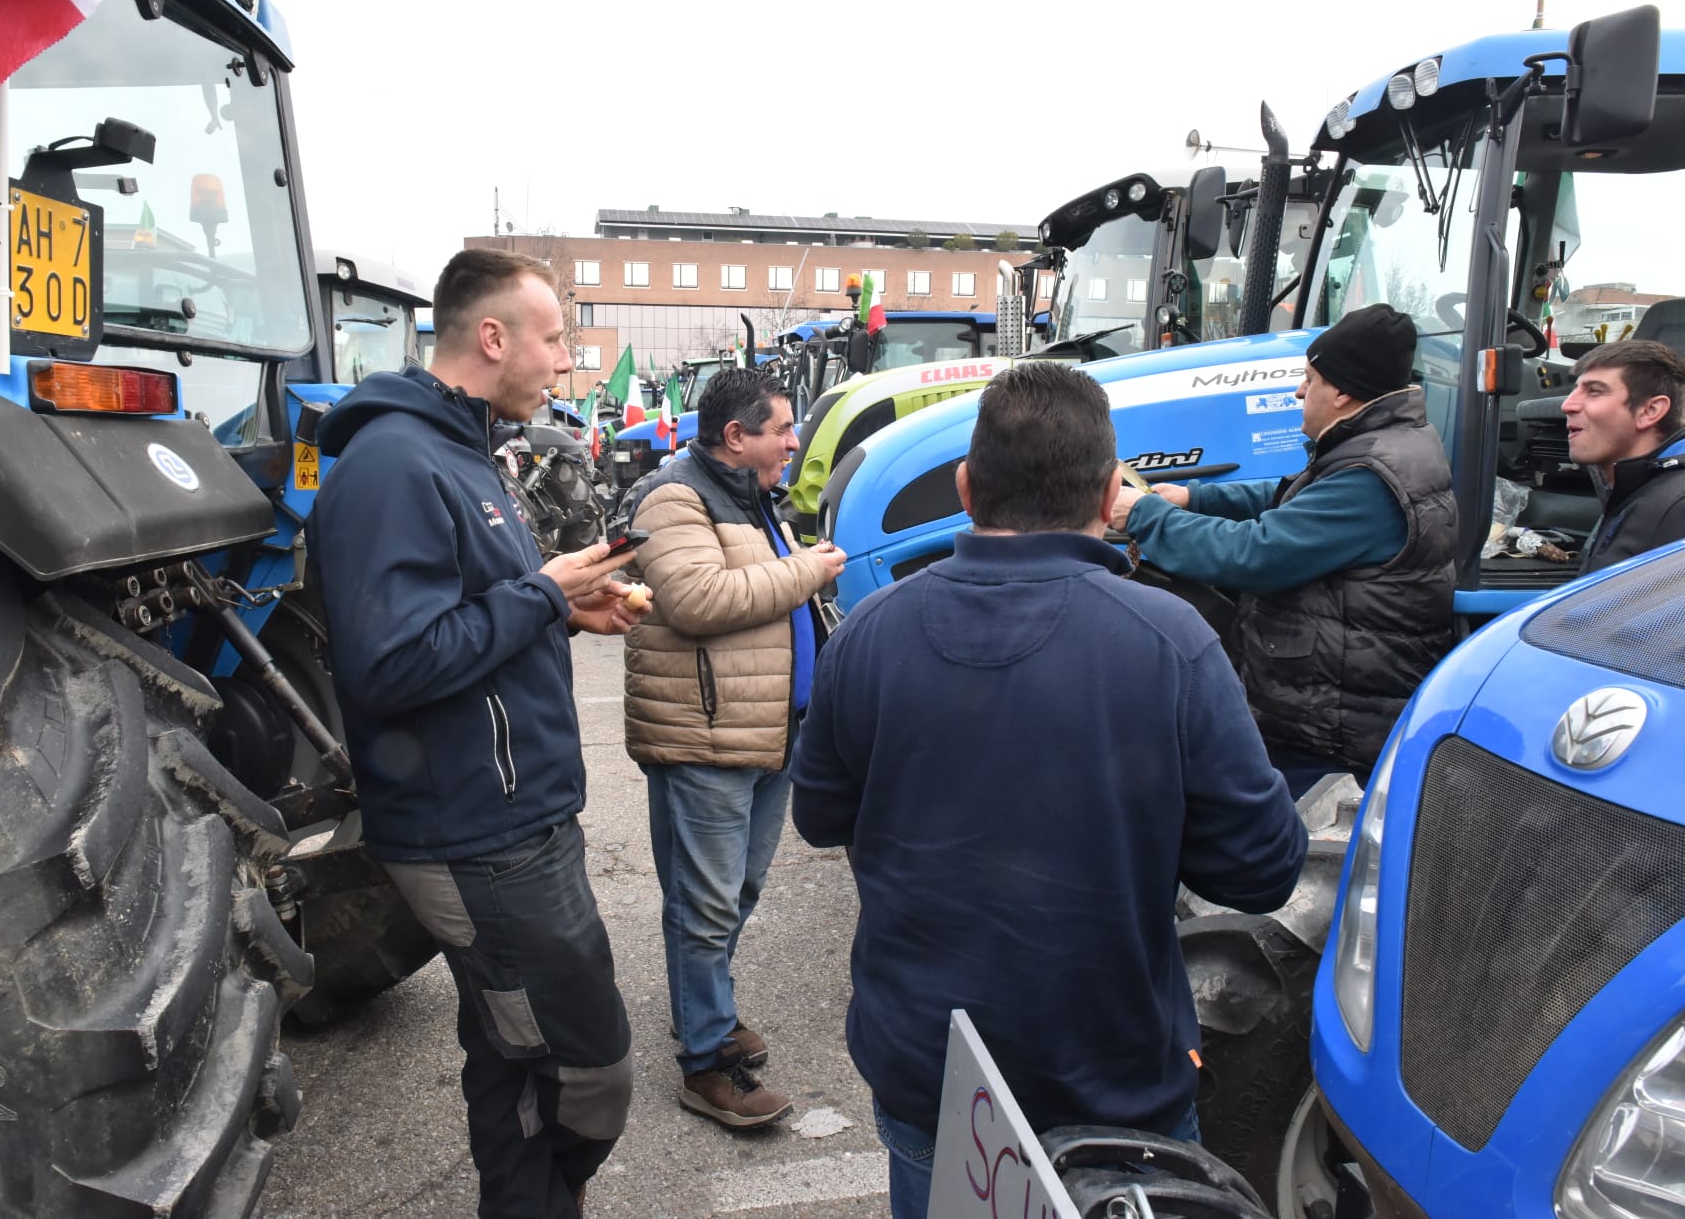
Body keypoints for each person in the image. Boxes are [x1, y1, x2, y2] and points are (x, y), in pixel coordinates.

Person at [789, 362, 1307, 1217]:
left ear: (965, 485)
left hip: (933, 1067)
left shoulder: (869, 635)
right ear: (1112, 495)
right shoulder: (1169, 640)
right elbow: (1263, 871)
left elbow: (819, 816)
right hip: (1118, 1081)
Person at [307, 248, 646, 1219]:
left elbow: (463, 609)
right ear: (491, 338)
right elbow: (391, 664)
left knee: (511, 1056)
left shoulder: (460, 450)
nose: (565, 360)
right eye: (553, 337)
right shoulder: (394, 465)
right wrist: (546, 591)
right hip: (478, 837)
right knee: (585, 1074)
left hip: (516, 822)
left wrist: (564, 608)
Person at [622, 367, 847, 1129]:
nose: (793, 441)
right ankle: (707, 1063)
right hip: (707, 742)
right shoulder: (674, 499)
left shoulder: (755, 499)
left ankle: (701, 1012)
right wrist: (804, 570)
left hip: (766, 737)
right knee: (706, 905)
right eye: (782, 429)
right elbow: (695, 600)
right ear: (736, 437)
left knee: (729, 897)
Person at [1110, 302, 1455, 796]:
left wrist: (1142, 516)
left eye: (1309, 379)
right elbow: (1291, 498)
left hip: (1331, 728)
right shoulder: (1385, 446)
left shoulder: (1369, 478)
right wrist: (1195, 496)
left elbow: (1255, 555)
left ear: (1341, 392)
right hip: (1332, 701)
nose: (1297, 390)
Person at [1561, 338, 1685, 574]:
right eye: (1574, 390)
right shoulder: (1634, 491)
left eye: (1594, 391)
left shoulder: (1677, 507)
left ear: (1650, 411)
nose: (1567, 405)